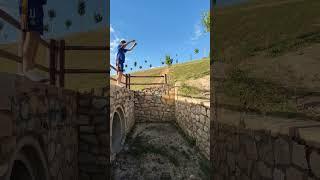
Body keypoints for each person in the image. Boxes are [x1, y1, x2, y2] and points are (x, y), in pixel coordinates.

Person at [18, 0, 48, 82]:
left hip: (37, 6)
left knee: (36, 34)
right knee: (31, 32)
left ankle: (31, 67)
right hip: (29, 4)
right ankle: (27, 69)